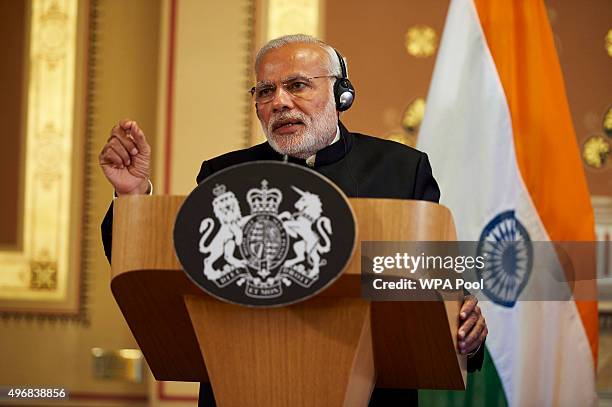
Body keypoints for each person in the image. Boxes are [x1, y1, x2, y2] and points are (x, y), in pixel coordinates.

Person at [99, 34, 488, 406]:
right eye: (265, 91)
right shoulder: (223, 175)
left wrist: (463, 321)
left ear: (341, 95)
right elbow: (168, 265)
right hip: (242, 385)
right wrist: (132, 196)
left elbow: (438, 285)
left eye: (297, 85)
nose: (280, 102)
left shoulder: (402, 170)